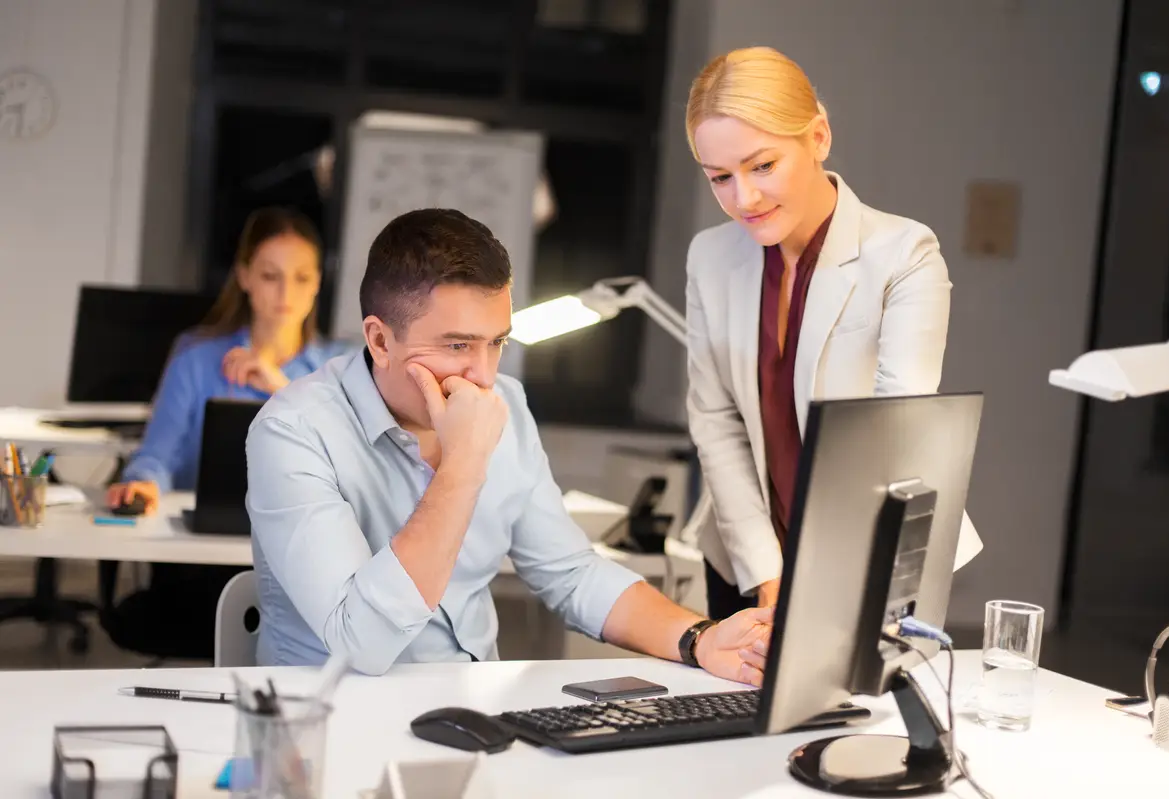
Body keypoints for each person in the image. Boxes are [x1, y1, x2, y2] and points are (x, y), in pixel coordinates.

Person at [246, 208, 773, 681]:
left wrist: (699, 639)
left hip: (471, 716)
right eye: (457, 345)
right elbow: (361, 642)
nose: (483, 374)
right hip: (332, 725)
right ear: (381, 340)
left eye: (496, 342)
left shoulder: (507, 406)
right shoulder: (293, 431)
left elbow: (571, 574)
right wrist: (463, 465)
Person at [684, 47, 953, 619]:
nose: (744, 199)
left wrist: (819, 576)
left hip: (864, 553)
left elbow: (894, 432)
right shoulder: (709, 257)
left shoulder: (905, 253)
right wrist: (768, 572)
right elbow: (716, 420)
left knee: (859, 711)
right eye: (720, 178)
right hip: (744, 558)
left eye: (762, 166)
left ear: (819, 137)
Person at [102, 207, 346, 660]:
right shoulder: (196, 358)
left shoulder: (338, 370)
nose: (285, 293)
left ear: (317, 283)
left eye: (301, 278)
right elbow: (158, 454)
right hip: (205, 563)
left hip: (306, 566)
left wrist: (278, 385)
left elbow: (354, 460)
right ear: (245, 276)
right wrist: (143, 483)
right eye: (271, 276)